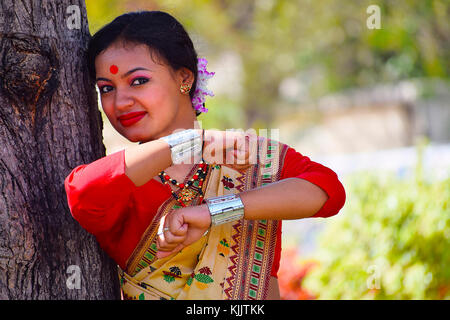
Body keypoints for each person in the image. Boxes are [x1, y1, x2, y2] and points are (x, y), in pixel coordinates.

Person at [64, 10, 346, 300]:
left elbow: (329, 192)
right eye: (106, 89)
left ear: (184, 78)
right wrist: (191, 143)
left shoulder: (245, 156)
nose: (120, 102)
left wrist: (213, 212)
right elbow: (82, 195)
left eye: (138, 81)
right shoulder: (126, 181)